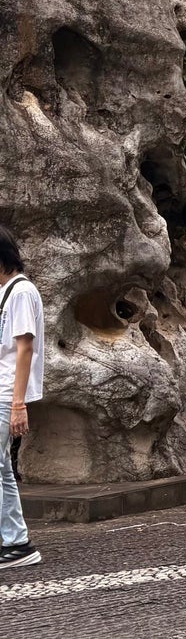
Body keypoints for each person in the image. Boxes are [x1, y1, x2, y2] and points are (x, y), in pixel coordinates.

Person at [0, 228, 42, 570]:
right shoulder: (7, 293)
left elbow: (24, 348)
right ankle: (16, 541)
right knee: (2, 470)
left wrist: (18, 404)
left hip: (6, 394)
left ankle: (17, 541)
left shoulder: (21, 292)